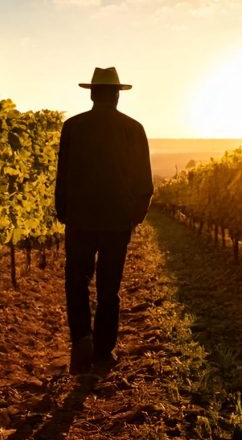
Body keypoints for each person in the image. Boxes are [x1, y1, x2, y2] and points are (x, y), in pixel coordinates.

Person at [55, 67, 153, 374]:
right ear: (117, 96)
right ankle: (103, 352)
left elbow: (62, 175)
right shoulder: (133, 128)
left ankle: (81, 340)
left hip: (80, 220)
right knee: (109, 288)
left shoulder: (72, 126)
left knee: (76, 282)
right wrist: (134, 217)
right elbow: (144, 181)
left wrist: (63, 212)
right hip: (117, 221)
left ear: (92, 94)